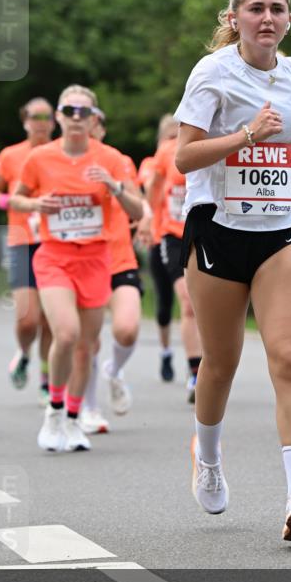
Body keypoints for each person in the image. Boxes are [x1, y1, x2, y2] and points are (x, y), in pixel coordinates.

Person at [174, 0, 291, 542]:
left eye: (276, 9)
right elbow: (183, 158)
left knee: (290, 359)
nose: (266, 18)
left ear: (289, 19)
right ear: (234, 19)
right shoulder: (213, 73)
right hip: (219, 229)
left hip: (282, 229)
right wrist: (246, 136)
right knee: (220, 362)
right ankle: (210, 458)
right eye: (255, 10)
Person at [8, 86, 143, 453]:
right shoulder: (41, 158)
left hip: (96, 260)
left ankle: (71, 418)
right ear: (60, 117)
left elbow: (138, 212)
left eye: (85, 112)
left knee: (86, 347)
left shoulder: (111, 158)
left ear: (93, 118)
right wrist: (37, 203)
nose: (77, 118)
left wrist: (115, 188)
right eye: (70, 110)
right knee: (65, 334)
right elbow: (17, 197)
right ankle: (52, 412)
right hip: (54, 256)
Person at [0, 98, 55, 403]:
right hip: (22, 240)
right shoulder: (10, 155)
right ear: (24, 121)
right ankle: (24, 352)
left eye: (46, 116)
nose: (40, 121)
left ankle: (45, 378)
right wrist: (8, 202)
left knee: (50, 319)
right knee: (28, 318)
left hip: (55, 241)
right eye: (34, 115)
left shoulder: (61, 153)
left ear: (53, 121)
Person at [80, 109, 144, 433]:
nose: (87, 127)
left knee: (127, 329)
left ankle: (114, 370)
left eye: (94, 122)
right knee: (87, 339)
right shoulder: (56, 161)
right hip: (81, 262)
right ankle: (90, 408)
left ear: (102, 129)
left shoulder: (118, 160)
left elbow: (138, 207)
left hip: (118, 259)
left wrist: (115, 187)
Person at [147, 124, 202, 404]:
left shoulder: (216, 140)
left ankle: (212, 368)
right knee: (187, 302)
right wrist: (149, 221)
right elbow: (154, 189)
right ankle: (195, 372)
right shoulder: (167, 151)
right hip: (173, 235)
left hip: (207, 231)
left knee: (209, 304)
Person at [136, 114, 178, 383]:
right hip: (159, 237)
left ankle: (196, 364)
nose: (174, 143)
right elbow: (149, 188)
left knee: (189, 300)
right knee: (164, 304)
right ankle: (165, 351)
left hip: (183, 235)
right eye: (170, 137)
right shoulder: (151, 164)